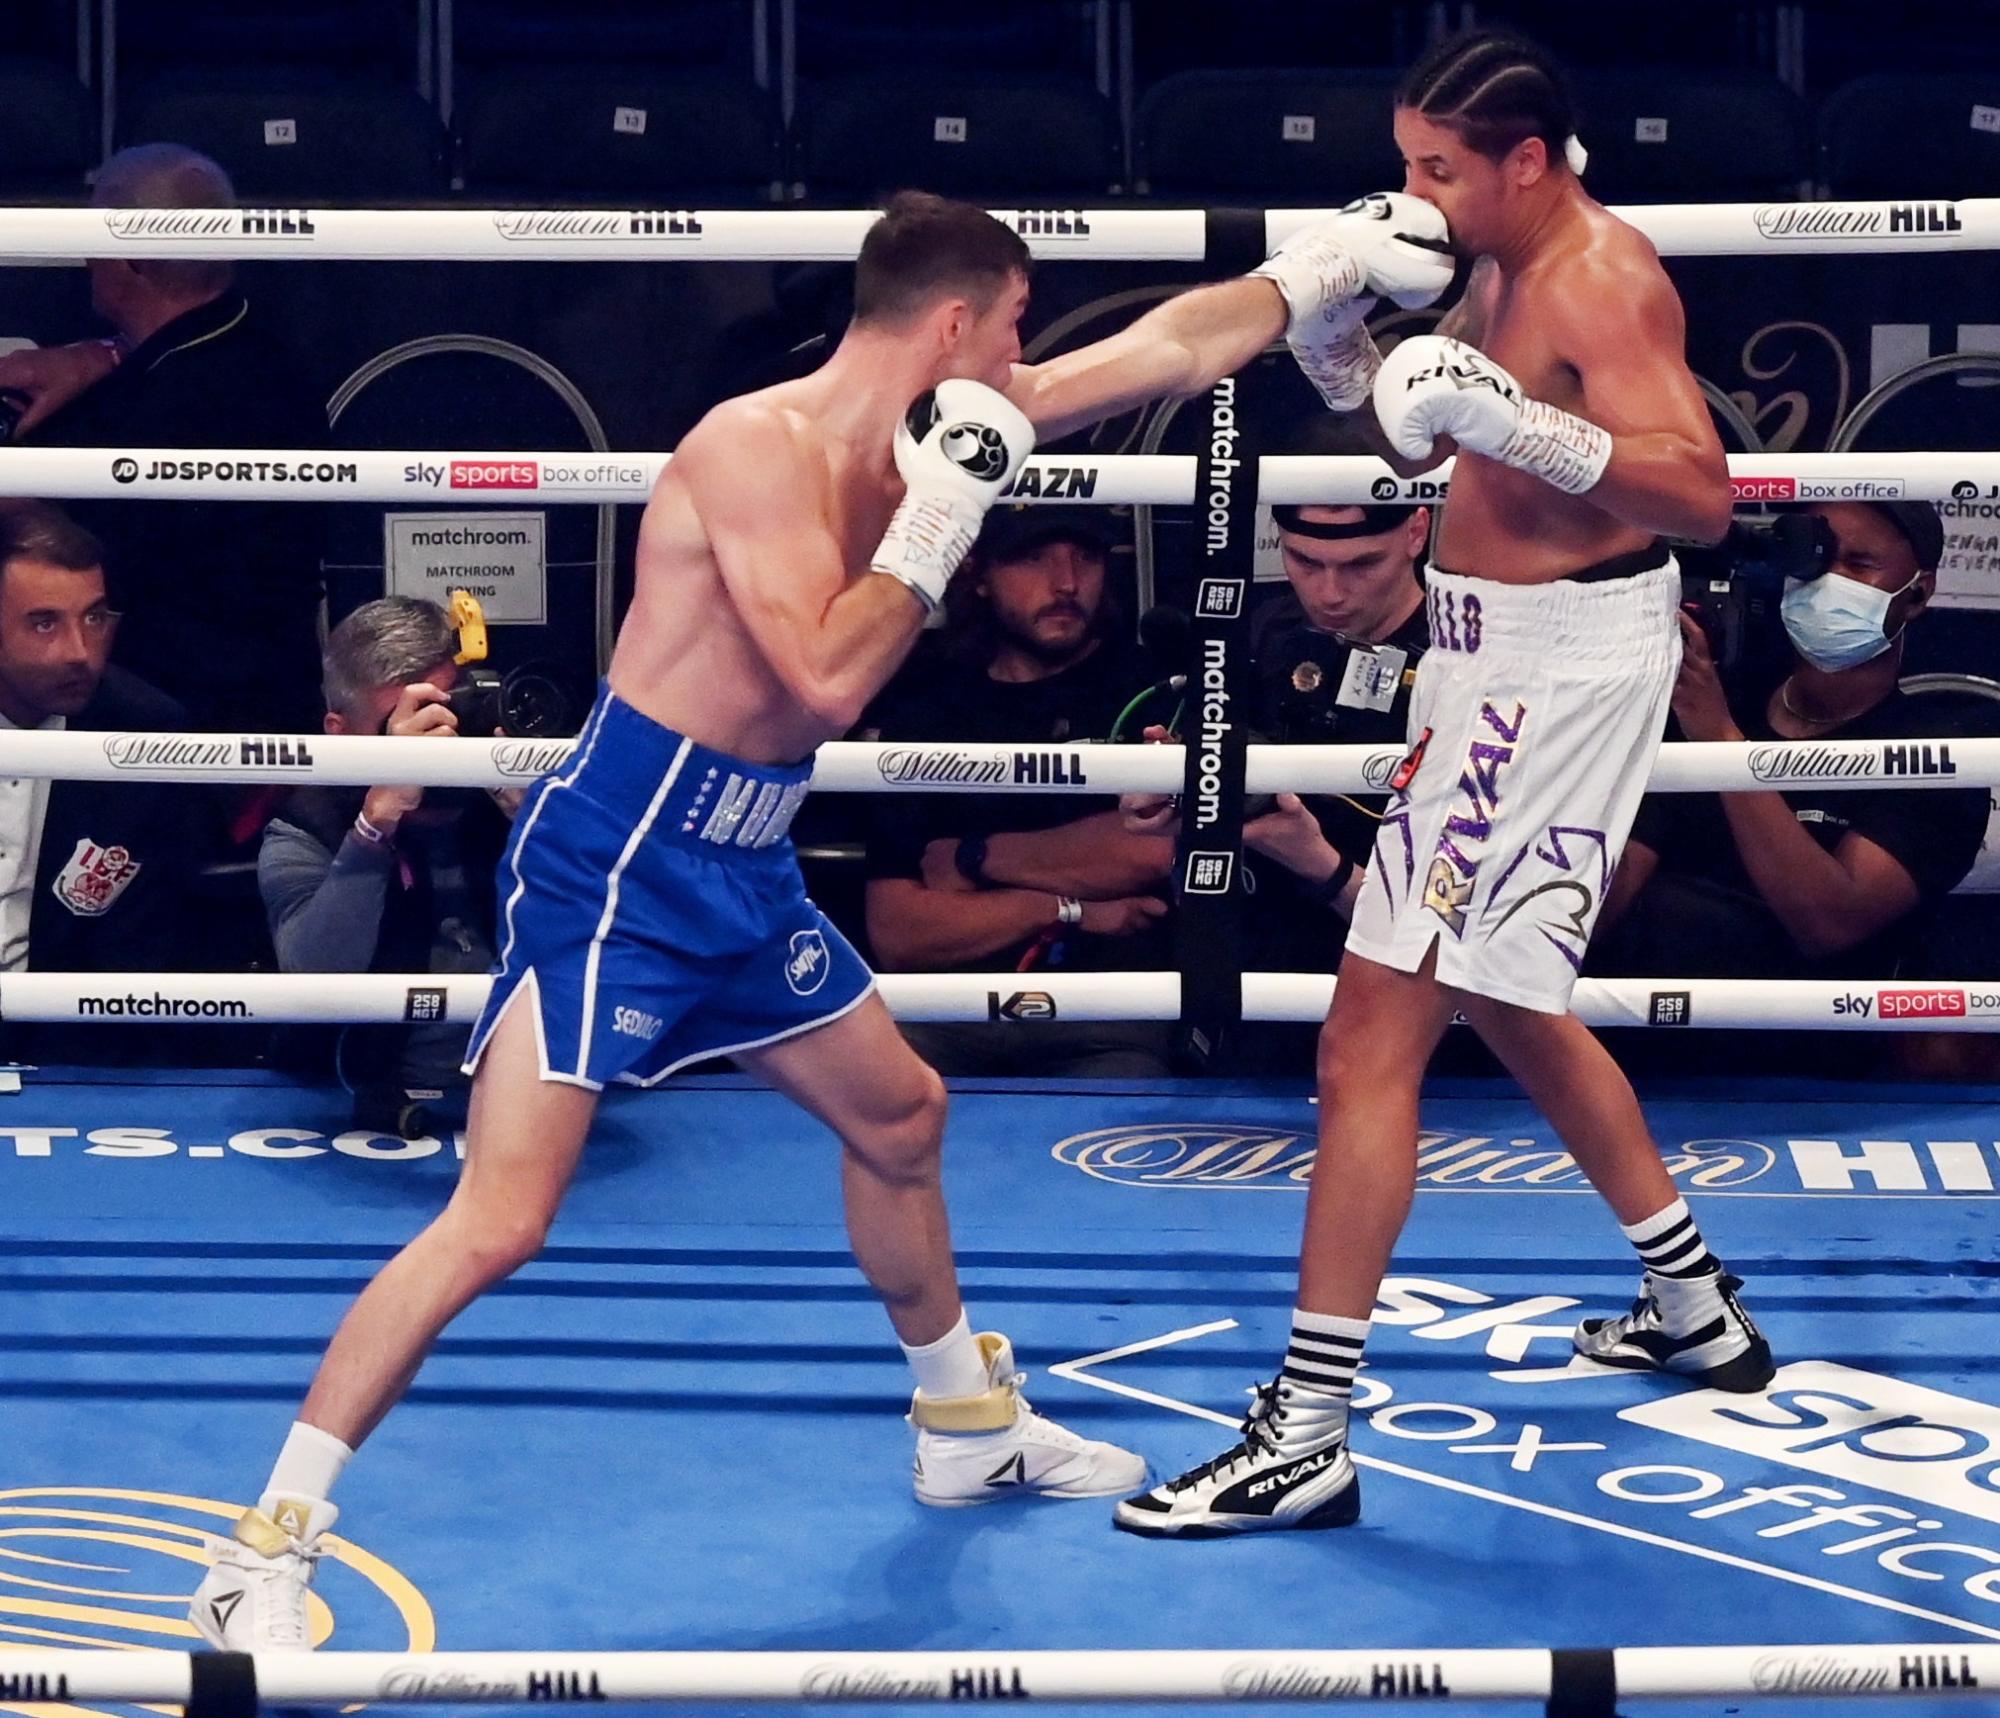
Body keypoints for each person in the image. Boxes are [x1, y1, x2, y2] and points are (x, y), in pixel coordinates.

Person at [191, 185, 1458, 1643]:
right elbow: (825, 681)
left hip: (742, 860)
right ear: (955, 322)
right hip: (622, 859)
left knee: (903, 1113)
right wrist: (938, 516)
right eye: (1018, 326)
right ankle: (264, 1546)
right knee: (501, 1217)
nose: (1028, 358)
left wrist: (1312, 274)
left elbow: (1171, 346)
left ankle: (964, 1423)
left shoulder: (952, 416)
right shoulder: (754, 449)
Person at [1119, 30, 1770, 1540]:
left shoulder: (1601, 278)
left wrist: (1512, 417)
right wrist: (1344, 355)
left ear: (1525, 161)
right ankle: (1692, 1300)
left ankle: (1309, 1428)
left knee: (1366, 1042)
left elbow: (1703, 499)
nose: (1412, 191)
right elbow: (1462, 441)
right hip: (1492, 659)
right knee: (1507, 999)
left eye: (1438, 167)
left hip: (1553, 671)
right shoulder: (1483, 256)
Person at [1595, 500, 2000, 981]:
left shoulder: (1943, 742)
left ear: (1917, 594)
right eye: (1816, 559)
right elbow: (1609, 897)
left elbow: (1831, 922)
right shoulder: (1719, 695)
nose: (1830, 581)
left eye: (1859, 564)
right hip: (1643, 1017)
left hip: (1800, 1033)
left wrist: (1722, 743)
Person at [0, 144, 326, 735]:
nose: (84, 259)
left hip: (178, 730)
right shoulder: (276, 363)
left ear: (134, 260)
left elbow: (36, 527)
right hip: (270, 702)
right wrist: (104, 354)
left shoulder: (152, 406)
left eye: (96, 238)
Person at [861, 503, 1178, 1077]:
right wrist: (1070, 907)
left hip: (1111, 1018)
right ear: (978, 573)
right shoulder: (928, 709)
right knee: (869, 1097)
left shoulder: (1155, 689)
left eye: (1085, 557)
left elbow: (1148, 851)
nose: (1066, 583)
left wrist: (971, 858)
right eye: (1033, 559)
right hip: (943, 1017)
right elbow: (899, 931)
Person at [259, 598, 519, 1134]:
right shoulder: (307, 828)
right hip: (360, 1108)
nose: (432, 738)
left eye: (443, 711)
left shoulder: (511, 798)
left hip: (529, 1094)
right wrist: (375, 827)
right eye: (399, 724)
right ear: (340, 731)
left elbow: (620, 955)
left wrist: (541, 831)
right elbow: (314, 981)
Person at [0, 505, 198, 1063]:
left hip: (66, 1053)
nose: (79, 652)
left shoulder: (146, 731)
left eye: (94, 618)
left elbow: (137, 946)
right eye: (44, 623)